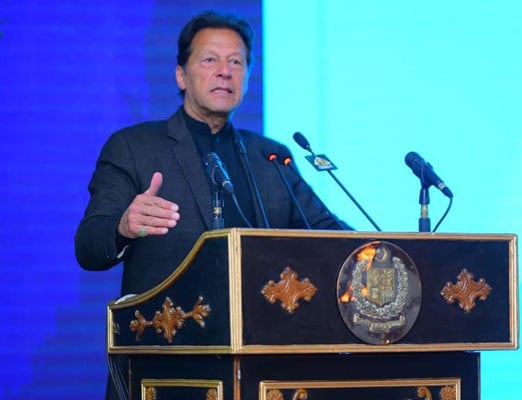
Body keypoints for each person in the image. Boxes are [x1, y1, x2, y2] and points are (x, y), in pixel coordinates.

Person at [74, 11, 347, 399]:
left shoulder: (270, 157)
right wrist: (122, 226)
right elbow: (89, 245)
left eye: (236, 62)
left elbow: (330, 235)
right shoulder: (134, 148)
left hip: (261, 370)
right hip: (167, 370)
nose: (225, 71)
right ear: (180, 76)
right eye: (210, 60)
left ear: (248, 77)